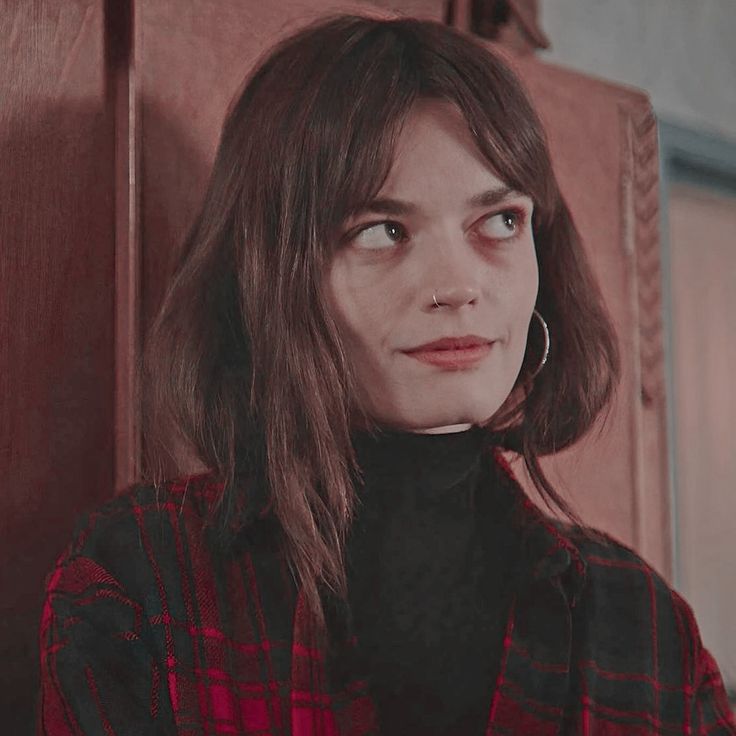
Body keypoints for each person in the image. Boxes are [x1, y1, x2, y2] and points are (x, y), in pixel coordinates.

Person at [37, 12, 735, 736]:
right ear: (272, 278)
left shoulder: (645, 630)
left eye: (499, 221)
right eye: (382, 231)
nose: (458, 286)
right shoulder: (140, 581)